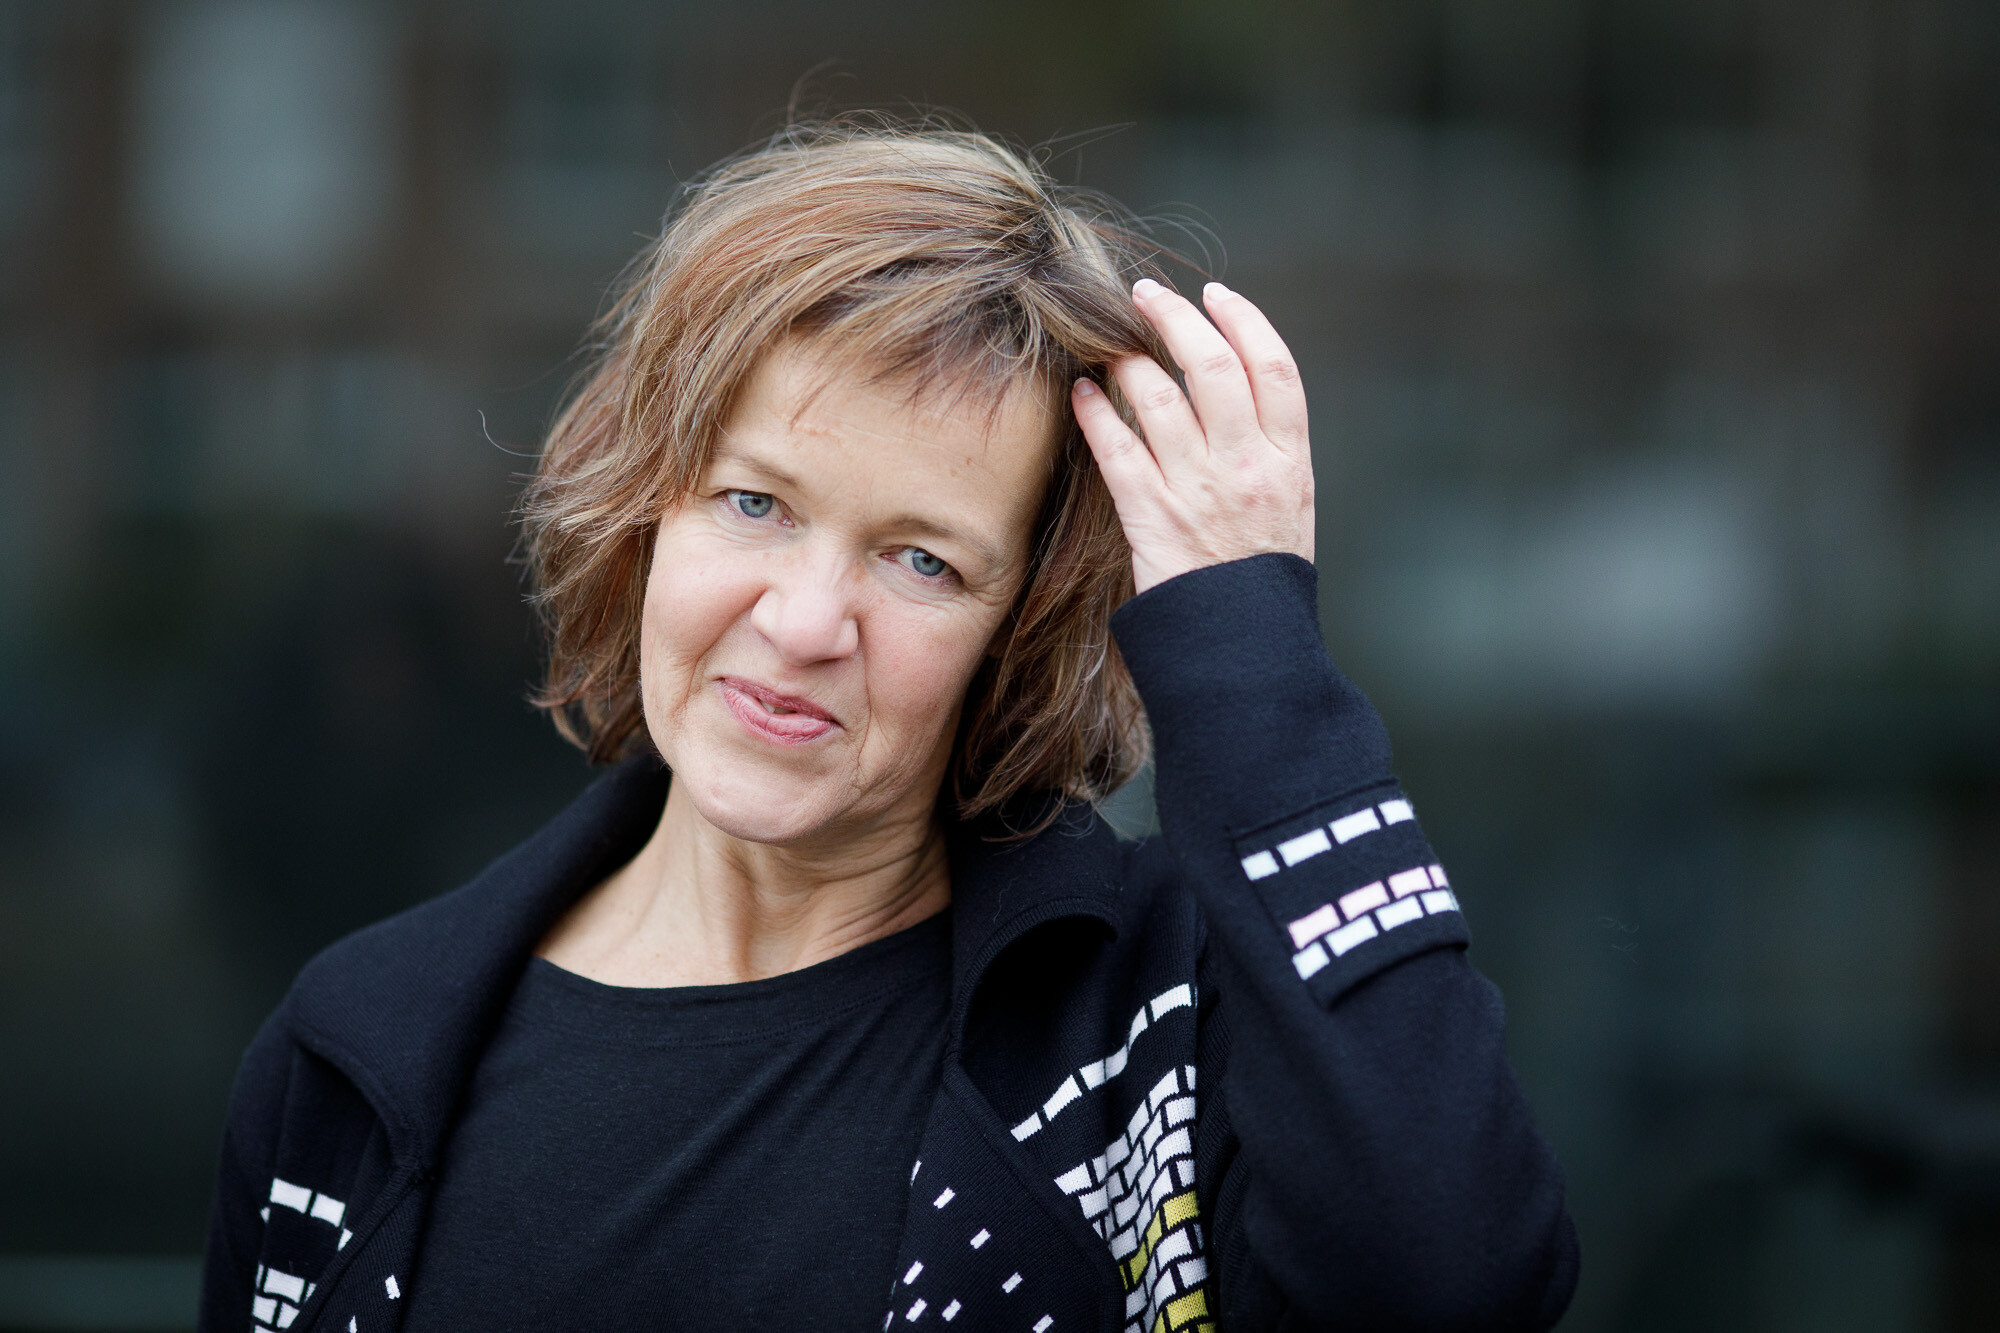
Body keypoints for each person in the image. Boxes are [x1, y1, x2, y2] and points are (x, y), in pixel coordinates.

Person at [199, 118, 1578, 1333]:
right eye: (755, 502)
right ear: (645, 505)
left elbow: (1452, 1281)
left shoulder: (1154, 1022)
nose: (807, 621)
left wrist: (1248, 651)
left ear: (1018, 629)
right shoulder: (355, 1060)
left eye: (923, 560)